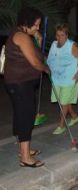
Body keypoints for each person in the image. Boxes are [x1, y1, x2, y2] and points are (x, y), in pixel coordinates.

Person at [4, 7, 50, 167]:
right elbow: (36, 62)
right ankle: (25, 158)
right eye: (36, 25)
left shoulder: (23, 35)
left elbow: (37, 53)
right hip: (20, 83)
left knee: (20, 115)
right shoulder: (22, 37)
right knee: (26, 116)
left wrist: (37, 39)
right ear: (27, 23)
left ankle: (22, 149)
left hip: (18, 82)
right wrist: (46, 68)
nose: (38, 28)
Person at [47, 24, 78, 135]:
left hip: (69, 78)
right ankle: (74, 116)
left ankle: (61, 125)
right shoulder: (54, 44)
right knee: (63, 101)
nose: (60, 38)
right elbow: (50, 58)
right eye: (57, 35)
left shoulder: (72, 46)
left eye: (62, 35)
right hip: (57, 78)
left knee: (63, 103)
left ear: (67, 35)